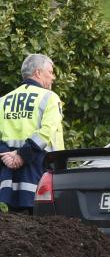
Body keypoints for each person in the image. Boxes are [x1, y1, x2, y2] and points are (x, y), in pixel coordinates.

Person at [0, 54, 64, 213]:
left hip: (9, 172)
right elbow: (45, 132)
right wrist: (22, 155)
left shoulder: (3, 100)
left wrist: (7, 156)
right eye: (50, 72)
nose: (53, 77)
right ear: (38, 73)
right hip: (40, 170)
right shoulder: (50, 97)